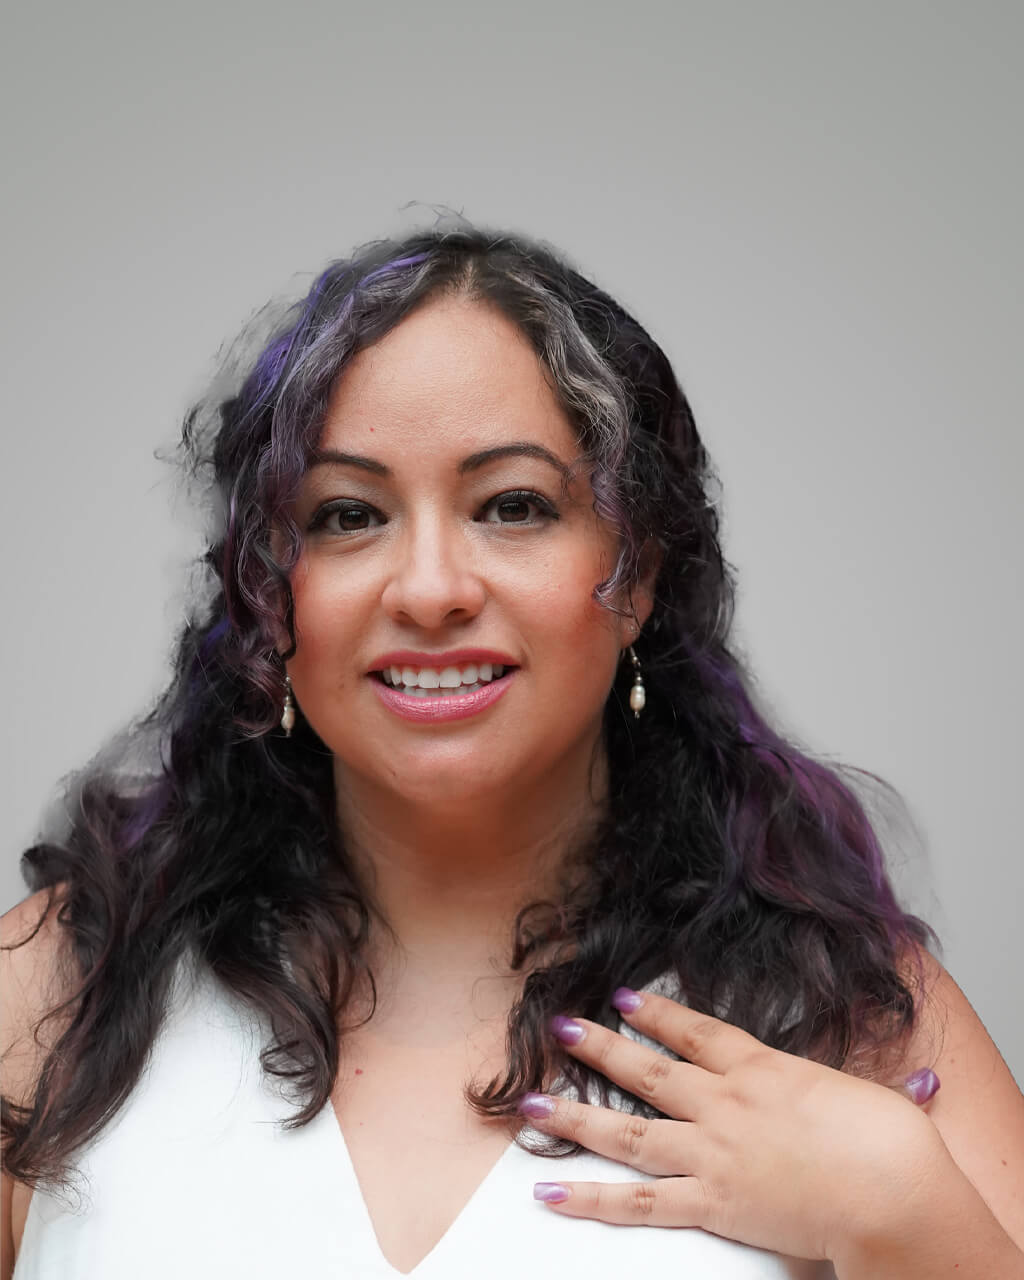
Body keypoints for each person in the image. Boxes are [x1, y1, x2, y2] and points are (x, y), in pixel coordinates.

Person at [2, 221, 1023, 1280]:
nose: (432, 588)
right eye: (349, 514)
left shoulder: (841, 1010)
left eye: (514, 505)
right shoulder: (61, 991)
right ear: (267, 594)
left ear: (635, 575)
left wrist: (905, 1215)